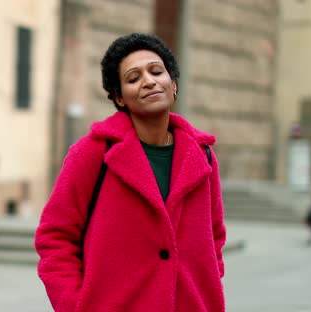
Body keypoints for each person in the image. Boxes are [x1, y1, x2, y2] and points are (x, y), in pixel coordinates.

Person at [34, 33, 226, 312]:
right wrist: (76, 306)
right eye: (133, 78)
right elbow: (55, 237)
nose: (149, 81)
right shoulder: (92, 153)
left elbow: (214, 235)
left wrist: (206, 283)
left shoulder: (203, 155)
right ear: (120, 98)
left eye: (157, 71)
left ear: (173, 85)